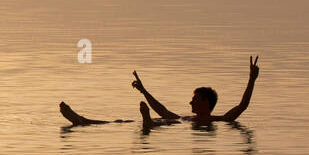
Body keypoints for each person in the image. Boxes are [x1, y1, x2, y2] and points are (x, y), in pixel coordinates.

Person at [59, 56, 260, 129]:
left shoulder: (220, 120)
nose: (190, 103)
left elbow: (242, 106)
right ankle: (82, 120)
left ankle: (148, 123)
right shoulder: (186, 118)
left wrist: (251, 80)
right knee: (122, 123)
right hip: (170, 124)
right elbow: (162, 110)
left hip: (170, 126)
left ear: (207, 103)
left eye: (195, 99)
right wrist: (144, 90)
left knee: (157, 123)